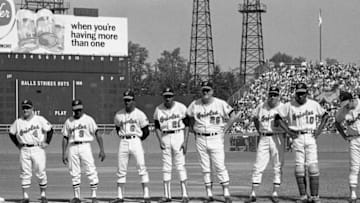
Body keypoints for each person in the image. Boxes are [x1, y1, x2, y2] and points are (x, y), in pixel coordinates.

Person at [228, 86, 285, 203]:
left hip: (277, 136)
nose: (272, 97)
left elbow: (287, 121)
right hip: (264, 136)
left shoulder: (283, 107)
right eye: (271, 94)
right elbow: (254, 118)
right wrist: (259, 131)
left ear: (278, 96)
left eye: (275, 95)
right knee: (258, 165)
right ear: (268, 95)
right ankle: (253, 193)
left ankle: (275, 193)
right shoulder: (262, 106)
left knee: (277, 165)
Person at [274, 83, 329, 203]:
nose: (300, 96)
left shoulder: (313, 104)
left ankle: (315, 196)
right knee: (299, 168)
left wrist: (319, 130)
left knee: (313, 167)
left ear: (307, 93)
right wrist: (288, 131)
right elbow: (277, 118)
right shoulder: (289, 105)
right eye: (298, 93)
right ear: (295, 93)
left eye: (302, 93)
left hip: (310, 135)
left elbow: (325, 115)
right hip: (297, 136)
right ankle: (303, 196)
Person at [187, 81, 235, 203]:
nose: (205, 92)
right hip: (200, 138)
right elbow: (189, 117)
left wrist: (225, 129)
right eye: (203, 90)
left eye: (208, 90)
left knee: (219, 165)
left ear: (212, 91)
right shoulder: (194, 104)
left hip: (216, 137)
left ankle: (226, 192)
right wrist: (193, 129)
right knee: (205, 167)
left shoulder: (220, 103)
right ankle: (209, 194)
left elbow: (233, 115)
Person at [9, 99, 54, 203]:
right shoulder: (18, 122)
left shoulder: (39, 119)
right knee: (25, 173)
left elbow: (50, 129)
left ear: (32, 109)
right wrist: (17, 144)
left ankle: (43, 195)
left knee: (40, 172)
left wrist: (47, 142)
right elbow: (11, 133)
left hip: (37, 148)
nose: (25, 110)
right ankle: (25, 197)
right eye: (24, 108)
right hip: (24, 149)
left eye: (28, 108)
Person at [110, 89, 151, 203]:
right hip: (123, 141)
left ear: (133, 100)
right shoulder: (119, 114)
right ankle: (120, 196)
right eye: (125, 100)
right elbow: (118, 128)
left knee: (141, 166)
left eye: (129, 100)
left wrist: (138, 139)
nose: (127, 102)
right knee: (121, 169)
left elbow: (146, 131)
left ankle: (146, 195)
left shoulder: (140, 114)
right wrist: (124, 137)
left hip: (135, 140)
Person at [61, 99, 106, 203]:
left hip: (85, 145)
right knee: (74, 171)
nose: (77, 112)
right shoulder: (69, 121)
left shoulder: (88, 119)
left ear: (82, 108)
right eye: (76, 110)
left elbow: (97, 133)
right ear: (73, 109)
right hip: (73, 146)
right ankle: (77, 196)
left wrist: (102, 149)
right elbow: (65, 137)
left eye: (79, 109)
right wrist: (64, 153)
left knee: (90, 169)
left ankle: (94, 196)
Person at [153, 87, 190, 203]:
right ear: (163, 97)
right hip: (165, 136)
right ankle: (167, 195)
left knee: (180, 165)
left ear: (173, 96)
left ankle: (184, 194)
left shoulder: (181, 107)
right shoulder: (158, 109)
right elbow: (157, 127)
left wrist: (185, 141)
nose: (168, 98)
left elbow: (187, 125)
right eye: (166, 96)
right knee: (166, 166)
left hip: (178, 135)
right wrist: (160, 141)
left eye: (169, 96)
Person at [334, 92, 360, 203]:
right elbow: (337, 123)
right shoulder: (342, 111)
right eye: (343, 104)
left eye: (346, 103)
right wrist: (344, 136)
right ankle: (353, 195)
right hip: (354, 139)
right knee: (354, 167)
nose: (345, 106)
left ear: (351, 99)